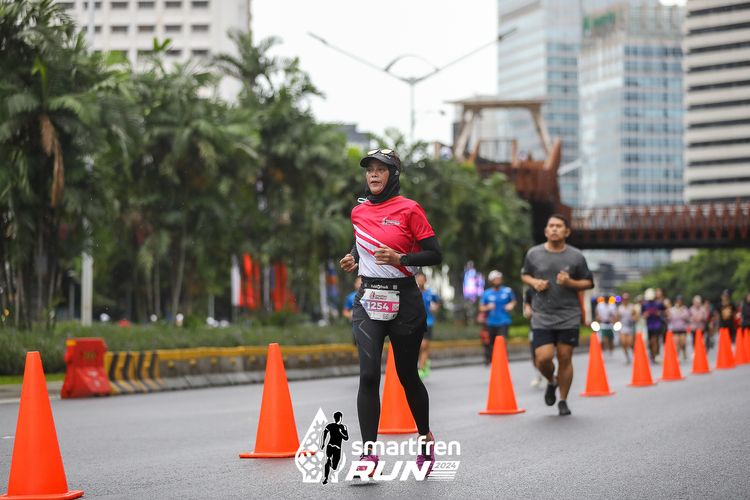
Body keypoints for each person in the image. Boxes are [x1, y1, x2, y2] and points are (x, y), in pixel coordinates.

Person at [339, 148, 441, 475]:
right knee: (369, 375)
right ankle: (369, 454)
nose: (373, 174)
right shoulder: (358, 211)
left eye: (380, 169)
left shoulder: (410, 209)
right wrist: (353, 257)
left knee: (407, 375)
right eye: (369, 169)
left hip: (405, 300)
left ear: (393, 174)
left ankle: (425, 438)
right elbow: (363, 243)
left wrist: (401, 259)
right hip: (369, 298)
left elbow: (434, 254)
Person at [521, 213, 594, 416]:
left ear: (567, 231)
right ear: (546, 231)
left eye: (559, 226)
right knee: (542, 358)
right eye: (551, 225)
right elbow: (524, 274)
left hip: (568, 314)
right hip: (542, 314)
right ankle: (552, 381)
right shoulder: (533, 254)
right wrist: (534, 282)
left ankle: (563, 400)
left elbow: (589, 282)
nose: (554, 229)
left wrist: (570, 283)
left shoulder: (576, 256)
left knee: (564, 357)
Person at [479, 270, 516, 361]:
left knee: (502, 341)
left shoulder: (507, 291)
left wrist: (511, 305)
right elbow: (481, 308)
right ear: (491, 281)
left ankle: (502, 359)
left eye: (499, 279)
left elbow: (513, 301)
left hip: (504, 320)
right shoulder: (487, 293)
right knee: (491, 342)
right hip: (491, 322)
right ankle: (491, 359)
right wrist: (488, 307)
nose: (497, 281)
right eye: (495, 279)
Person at [416, 271, 441, 378]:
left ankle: (421, 369)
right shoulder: (413, 292)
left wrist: (435, 307)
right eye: (419, 279)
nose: (420, 281)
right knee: (416, 347)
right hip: (415, 323)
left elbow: (438, 302)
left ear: (425, 280)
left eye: (422, 279)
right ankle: (424, 362)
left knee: (424, 345)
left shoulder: (431, 293)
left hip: (428, 322)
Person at [320, 411, 349, 485]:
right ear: (340, 418)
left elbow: (324, 433)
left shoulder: (330, 425)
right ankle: (326, 475)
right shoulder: (342, 427)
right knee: (333, 466)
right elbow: (346, 438)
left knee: (330, 462)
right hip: (337, 448)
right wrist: (341, 432)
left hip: (329, 446)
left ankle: (326, 477)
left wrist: (323, 443)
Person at [524, 287, 544, 388]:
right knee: (534, 353)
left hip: (551, 325)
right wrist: (527, 310)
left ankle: (552, 375)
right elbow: (527, 306)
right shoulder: (530, 291)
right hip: (535, 327)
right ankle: (538, 374)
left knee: (548, 354)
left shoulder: (552, 286)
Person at [642, 288, 665, 363]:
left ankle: (656, 354)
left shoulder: (658, 304)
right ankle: (652, 354)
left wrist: (660, 313)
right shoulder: (645, 304)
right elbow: (642, 314)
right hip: (649, 326)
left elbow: (664, 311)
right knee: (650, 342)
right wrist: (645, 315)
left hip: (657, 324)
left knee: (655, 340)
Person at [617, 292, 637, 364]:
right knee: (623, 343)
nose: (625, 300)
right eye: (624, 299)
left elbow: (635, 316)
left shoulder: (631, 307)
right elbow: (617, 317)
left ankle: (634, 355)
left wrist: (633, 318)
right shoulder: (620, 308)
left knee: (630, 343)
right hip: (623, 326)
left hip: (630, 326)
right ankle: (627, 357)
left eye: (627, 299)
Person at [668, 295, 690, 361]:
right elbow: (671, 317)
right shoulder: (672, 309)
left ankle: (683, 350)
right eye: (678, 300)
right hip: (675, 328)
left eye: (680, 300)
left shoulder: (685, 309)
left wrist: (680, 313)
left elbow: (686, 317)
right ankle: (677, 356)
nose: (679, 302)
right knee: (676, 343)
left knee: (682, 342)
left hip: (682, 328)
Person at [342, 276, 362, 344]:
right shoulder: (350, 297)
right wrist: (351, 315)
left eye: (362, 283)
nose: (360, 285)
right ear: (355, 284)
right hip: (356, 328)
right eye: (359, 283)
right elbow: (345, 312)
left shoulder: (370, 296)